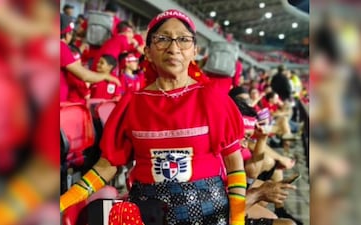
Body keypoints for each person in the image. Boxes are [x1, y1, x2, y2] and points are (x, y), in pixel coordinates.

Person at [61, 9, 247, 225]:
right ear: (147, 52)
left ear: (194, 51)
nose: (173, 48)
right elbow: (107, 165)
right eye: (162, 39)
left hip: (208, 213)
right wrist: (62, 202)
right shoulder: (132, 104)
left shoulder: (213, 99)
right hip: (147, 213)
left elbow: (234, 165)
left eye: (183, 40)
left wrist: (238, 220)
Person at [60, 15, 121, 102]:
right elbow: (84, 76)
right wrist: (105, 76)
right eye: (71, 33)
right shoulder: (61, 47)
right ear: (67, 34)